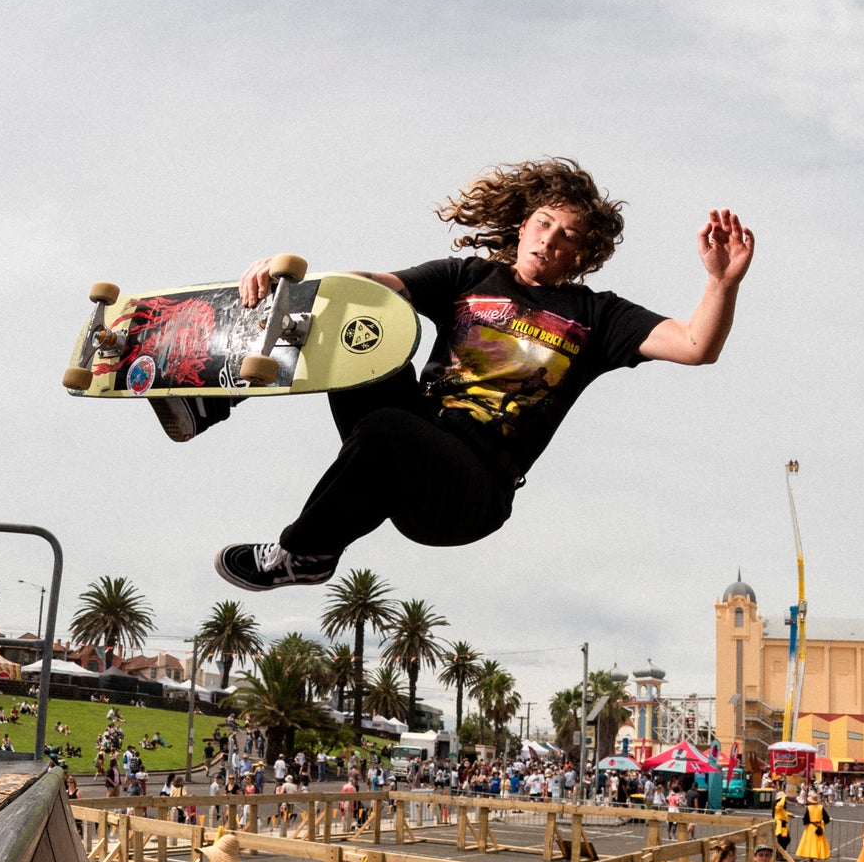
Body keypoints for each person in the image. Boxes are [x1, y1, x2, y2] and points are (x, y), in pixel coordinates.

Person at [196, 159, 753, 591]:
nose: (548, 241)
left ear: (581, 256)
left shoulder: (597, 317)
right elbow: (370, 287)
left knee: (389, 426)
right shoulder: (469, 276)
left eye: (567, 238)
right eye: (543, 224)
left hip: (471, 491)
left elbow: (696, 344)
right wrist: (286, 278)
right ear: (524, 224)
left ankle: (307, 554)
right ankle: (212, 393)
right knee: (359, 327)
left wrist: (720, 284)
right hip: (410, 439)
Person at [794, 792, 829, 862]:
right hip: (819, 826)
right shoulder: (821, 807)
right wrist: (822, 823)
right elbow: (826, 818)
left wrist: (805, 821)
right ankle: (819, 855)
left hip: (811, 827)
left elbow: (806, 819)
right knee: (819, 842)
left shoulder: (809, 808)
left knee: (810, 842)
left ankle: (811, 858)